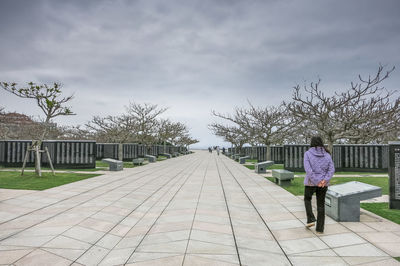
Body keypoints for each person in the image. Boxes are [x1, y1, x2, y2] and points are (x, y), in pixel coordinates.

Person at [303, 136, 335, 233]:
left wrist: (317, 181)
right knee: (321, 205)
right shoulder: (327, 155)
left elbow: (308, 170)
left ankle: (311, 218)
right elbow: (331, 169)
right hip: (323, 185)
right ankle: (320, 229)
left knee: (307, 199)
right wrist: (324, 181)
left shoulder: (308, 154)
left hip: (310, 183)